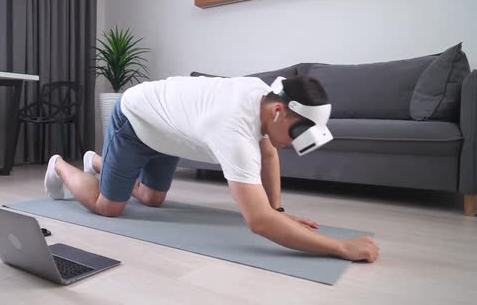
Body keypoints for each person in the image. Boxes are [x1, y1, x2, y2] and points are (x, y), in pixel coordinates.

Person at [44, 75, 379, 262]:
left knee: (151, 199)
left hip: (169, 132)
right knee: (109, 206)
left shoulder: (263, 97)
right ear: (279, 111)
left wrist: (278, 209)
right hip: (136, 120)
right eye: (297, 132)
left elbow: (270, 157)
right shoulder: (233, 129)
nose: (294, 143)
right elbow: (258, 222)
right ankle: (61, 166)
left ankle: (99, 163)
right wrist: (340, 248)